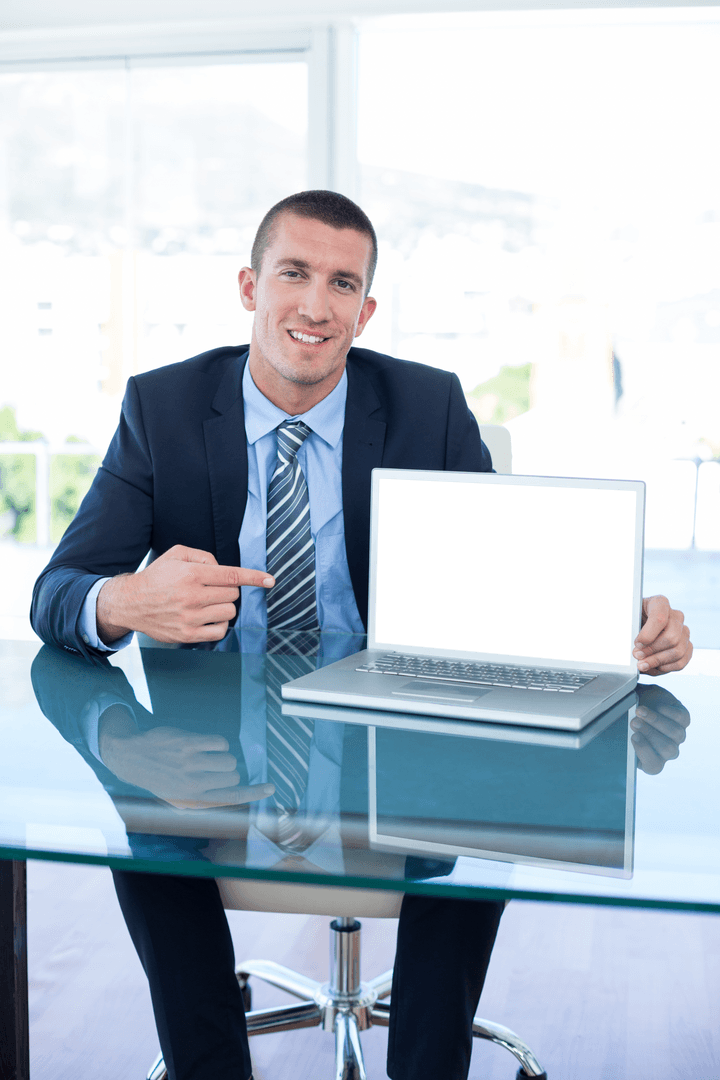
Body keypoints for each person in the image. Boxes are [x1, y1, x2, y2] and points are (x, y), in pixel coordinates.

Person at [31, 190, 693, 1080]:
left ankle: (426, 1067)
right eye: (294, 274)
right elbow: (57, 593)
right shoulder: (164, 408)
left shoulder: (427, 405)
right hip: (212, 742)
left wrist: (626, 625)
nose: (316, 305)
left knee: (478, 834)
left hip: (398, 737)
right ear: (249, 287)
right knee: (144, 839)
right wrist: (124, 601)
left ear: (366, 310)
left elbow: (511, 580)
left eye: (342, 284)